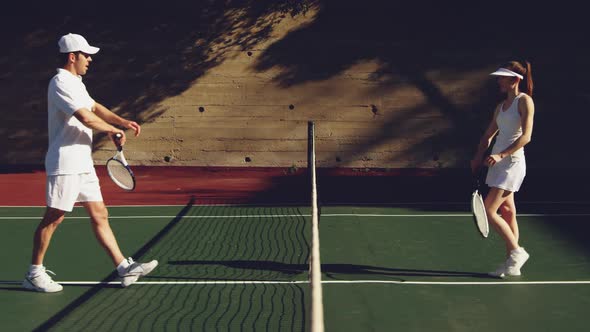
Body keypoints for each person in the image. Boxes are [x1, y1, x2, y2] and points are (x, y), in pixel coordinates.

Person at [22, 33, 158, 292]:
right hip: (65, 162)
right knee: (54, 217)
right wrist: (112, 131)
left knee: (100, 214)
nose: (90, 59)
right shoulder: (60, 82)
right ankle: (33, 273)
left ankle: (123, 268)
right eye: (86, 55)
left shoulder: (77, 82)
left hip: (82, 162)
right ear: (72, 57)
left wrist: (121, 122)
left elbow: (94, 107)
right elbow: (86, 118)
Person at [471, 61, 535, 278]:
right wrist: (478, 156)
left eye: (502, 77)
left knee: (490, 211)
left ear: (515, 80)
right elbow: (488, 136)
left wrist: (501, 155)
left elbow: (526, 136)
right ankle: (512, 264)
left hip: (512, 163)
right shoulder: (500, 107)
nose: (498, 81)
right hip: (495, 163)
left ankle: (517, 252)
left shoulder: (525, 101)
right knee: (507, 212)